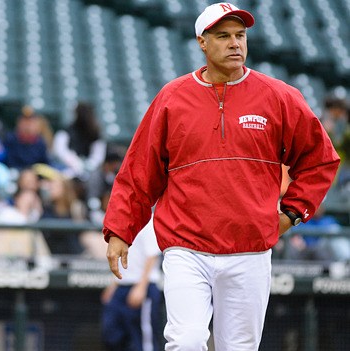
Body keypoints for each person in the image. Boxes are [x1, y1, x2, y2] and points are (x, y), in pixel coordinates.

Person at [103, 3, 340, 350]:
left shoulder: (279, 97)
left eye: (240, 36)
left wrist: (291, 213)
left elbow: (320, 160)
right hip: (187, 246)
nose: (235, 44)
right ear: (202, 42)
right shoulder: (172, 98)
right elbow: (139, 172)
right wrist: (120, 230)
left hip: (249, 249)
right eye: (224, 36)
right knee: (186, 341)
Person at [101, 216, 162, 351]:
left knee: (143, 340)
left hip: (143, 286)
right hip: (122, 285)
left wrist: (141, 287)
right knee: (111, 333)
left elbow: (152, 255)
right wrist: (114, 285)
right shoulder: (120, 218)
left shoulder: (147, 219)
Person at [53, 102, 106, 178]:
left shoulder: (95, 134)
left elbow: (98, 157)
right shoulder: (65, 132)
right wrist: (76, 163)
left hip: (89, 172)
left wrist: (88, 165)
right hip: (68, 169)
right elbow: (60, 151)